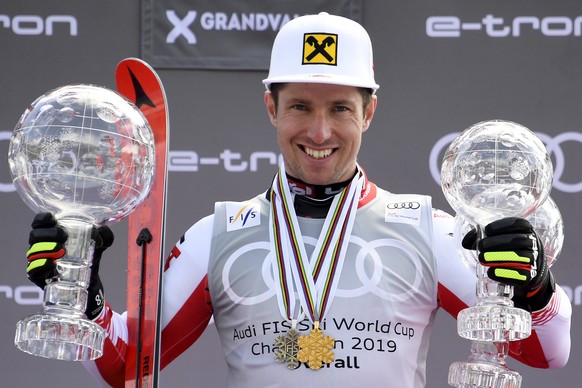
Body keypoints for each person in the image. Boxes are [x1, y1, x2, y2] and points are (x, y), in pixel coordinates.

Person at [25, 12, 571, 387]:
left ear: (369, 112)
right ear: (271, 107)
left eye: (339, 109)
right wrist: (84, 300)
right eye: (300, 106)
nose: (319, 131)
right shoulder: (218, 235)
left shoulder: (427, 229)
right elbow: (127, 369)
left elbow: (545, 354)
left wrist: (534, 288)